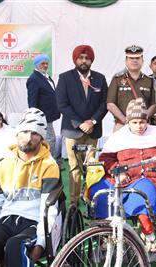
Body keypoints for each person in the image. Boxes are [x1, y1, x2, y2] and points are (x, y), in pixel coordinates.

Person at [90, 98, 156, 252]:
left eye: (142, 122)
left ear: (147, 120)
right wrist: (117, 171)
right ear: (128, 122)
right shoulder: (119, 137)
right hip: (121, 178)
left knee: (142, 194)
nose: (139, 126)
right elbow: (105, 158)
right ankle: (107, 233)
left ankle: (148, 231)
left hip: (147, 178)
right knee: (99, 191)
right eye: (135, 122)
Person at [0, 108, 60, 266]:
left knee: (15, 245)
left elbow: (49, 210)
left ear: (41, 138)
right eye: (24, 132)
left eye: (34, 134)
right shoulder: (4, 164)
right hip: (6, 220)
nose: (28, 138)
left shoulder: (49, 165)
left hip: (33, 222)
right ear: (17, 133)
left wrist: (41, 243)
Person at [56, 45, 108, 205]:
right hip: (72, 131)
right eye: (81, 58)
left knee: (92, 166)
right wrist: (80, 124)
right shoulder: (65, 78)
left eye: (87, 58)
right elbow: (62, 105)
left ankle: (91, 199)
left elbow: (104, 103)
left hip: (92, 130)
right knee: (74, 167)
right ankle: (74, 202)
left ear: (91, 60)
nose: (84, 61)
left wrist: (92, 121)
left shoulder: (100, 78)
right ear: (75, 59)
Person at [107, 45, 156, 131]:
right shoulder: (117, 79)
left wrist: (143, 117)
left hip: (143, 126)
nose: (134, 60)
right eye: (131, 58)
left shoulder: (149, 80)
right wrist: (125, 120)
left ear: (142, 61)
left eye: (137, 58)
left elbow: (154, 104)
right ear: (126, 61)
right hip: (122, 125)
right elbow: (110, 104)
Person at [26, 54, 60, 160]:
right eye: (42, 63)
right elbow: (32, 100)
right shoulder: (34, 79)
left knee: (48, 140)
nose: (45, 66)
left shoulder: (45, 76)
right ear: (36, 65)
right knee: (50, 139)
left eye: (46, 63)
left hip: (49, 115)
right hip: (43, 116)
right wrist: (35, 116)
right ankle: (49, 161)